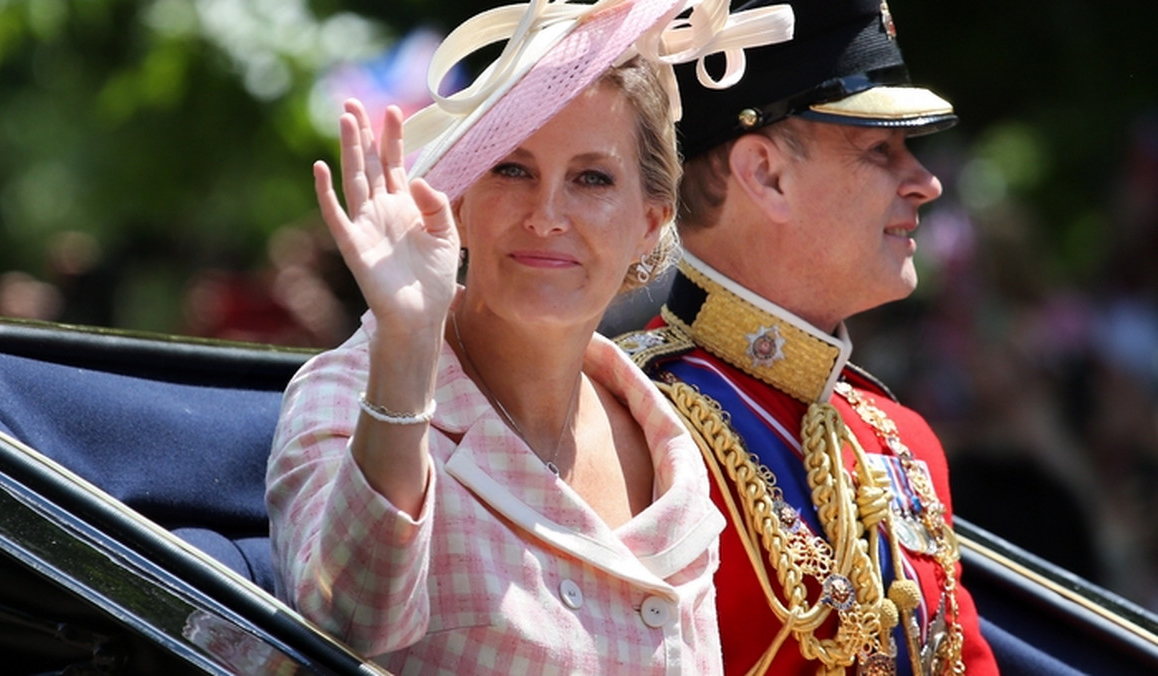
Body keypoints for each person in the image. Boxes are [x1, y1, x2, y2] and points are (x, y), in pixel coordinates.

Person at [265, 1, 795, 673]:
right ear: (460, 200)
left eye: (592, 179)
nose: (546, 216)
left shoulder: (668, 442)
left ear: (650, 222)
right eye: (512, 170)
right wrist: (407, 340)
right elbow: (342, 630)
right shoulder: (344, 391)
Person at [615, 0, 1001, 674]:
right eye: (881, 150)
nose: (927, 183)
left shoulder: (900, 437)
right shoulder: (627, 422)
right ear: (766, 175)